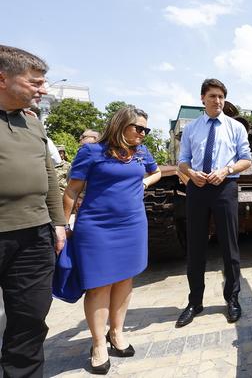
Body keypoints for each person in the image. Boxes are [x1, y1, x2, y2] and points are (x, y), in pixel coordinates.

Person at [62, 107, 161, 374]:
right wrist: (63, 225)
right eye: (138, 128)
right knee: (98, 285)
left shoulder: (141, 152)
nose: (143, 134)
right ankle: (98, 345)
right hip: (97, 228)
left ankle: (116, 334)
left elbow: (157, 172)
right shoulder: (92, 152)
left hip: (133, 226)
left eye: (145, 130)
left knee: (125, 279)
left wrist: (145, 183)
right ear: (120, 124)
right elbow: (72, 189)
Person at [0, 45, 66, 377]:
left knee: (29, 321)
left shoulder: (33, 123)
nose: (43, 90)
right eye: (35, 82)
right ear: (2, 79)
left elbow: (49, 175)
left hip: (35, 236)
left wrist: (57, 222)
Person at [176, 78, 252, 327]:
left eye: (221, 96)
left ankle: (232, 299)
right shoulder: (191, 129)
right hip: (197, 189)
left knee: (230, 247)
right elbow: (183, 161)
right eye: (212, 96)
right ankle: (194, 302)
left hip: (225, 187)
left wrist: (226, 170)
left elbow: (246, 159)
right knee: (195, 247)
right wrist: (190, 173)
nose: (217, 101)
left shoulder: (235, 127)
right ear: (202, 99)